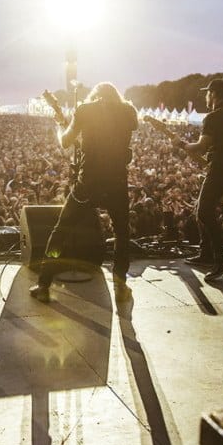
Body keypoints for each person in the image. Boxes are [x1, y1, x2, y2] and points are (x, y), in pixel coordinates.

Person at [31, 82, 138, 303]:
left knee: (60, 231)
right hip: (117, 182)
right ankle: (120, 286)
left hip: (88, 181)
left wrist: (62, 126)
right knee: (121, 234)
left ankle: (44, 284)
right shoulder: (128, 111)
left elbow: (66, 142)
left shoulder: (85, 110)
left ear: (95, 95)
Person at [176, 78, 223, 281]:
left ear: (213, 94)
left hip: (220, 170)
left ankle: (221, 259)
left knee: (204, 211)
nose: (206, 96)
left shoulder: (213, 118)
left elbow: (201, 146)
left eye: (208, 93)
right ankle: (206, 254)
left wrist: (181, 144)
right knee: (201, 209)